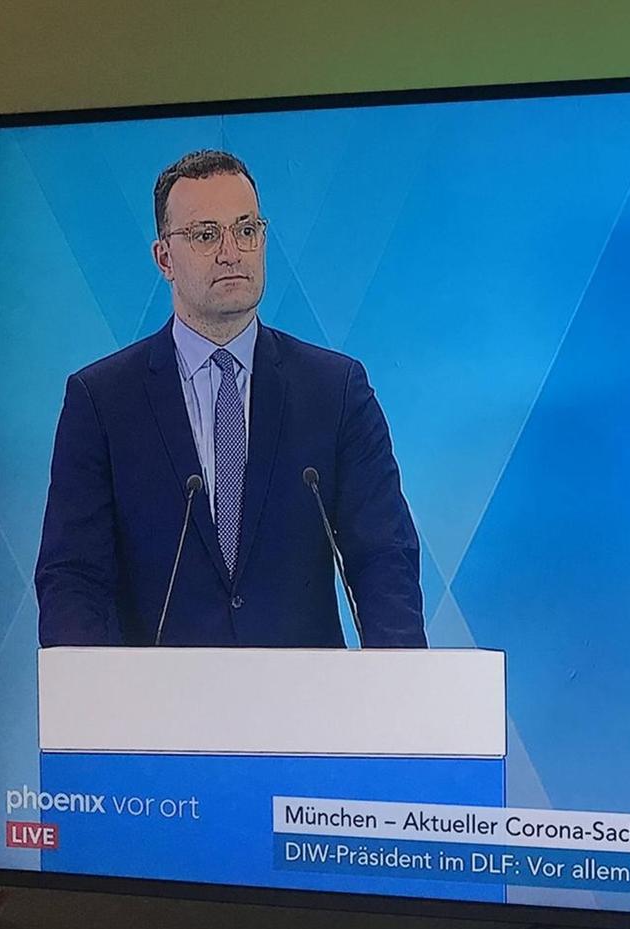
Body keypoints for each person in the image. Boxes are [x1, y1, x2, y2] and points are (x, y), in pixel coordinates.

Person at [35, 149, 425, 648]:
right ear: (164, 259)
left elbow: (383, 559)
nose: (230, 252)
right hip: (159, 712)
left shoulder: (335, 390)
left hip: (305, 710)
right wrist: (94, 708)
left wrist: (402, 698)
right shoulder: (102, 401)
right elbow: (74, 576)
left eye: (246, 230)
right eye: (205, 235)